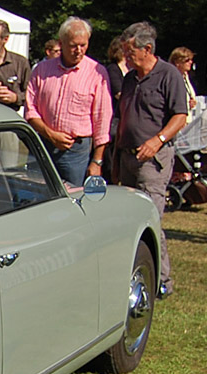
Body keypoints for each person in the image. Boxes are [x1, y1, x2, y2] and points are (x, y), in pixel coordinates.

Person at [116, 22, 187, 297]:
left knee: (150, 218)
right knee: (128, 220)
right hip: (126, 156)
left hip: (152, 160)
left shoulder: (168, 75)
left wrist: (157, 140)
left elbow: (179, 116)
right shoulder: (130, 78)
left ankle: (163, 281)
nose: (126, 56)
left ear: (147, 49)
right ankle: (136, 272)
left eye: (130, 51)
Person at [24, 17, 112, 186]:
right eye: (73, 45)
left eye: (83, 45)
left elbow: (102, 119)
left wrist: (97, 161)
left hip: (76, 151)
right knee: (37, 195)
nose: (79, 50)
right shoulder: (42, 70)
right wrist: (50, 134)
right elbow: (30, 109)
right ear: (61, 43)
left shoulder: (97, 73)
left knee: (72, 199)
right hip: (42, 143)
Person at [169, 47, 197, 122]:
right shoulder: (171, 77)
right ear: (177, 62)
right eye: (187, 60)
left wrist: (192, 102)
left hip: (187, 120)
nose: (190, 62)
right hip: (176, 122)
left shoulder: (185, 76)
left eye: (191, 60)